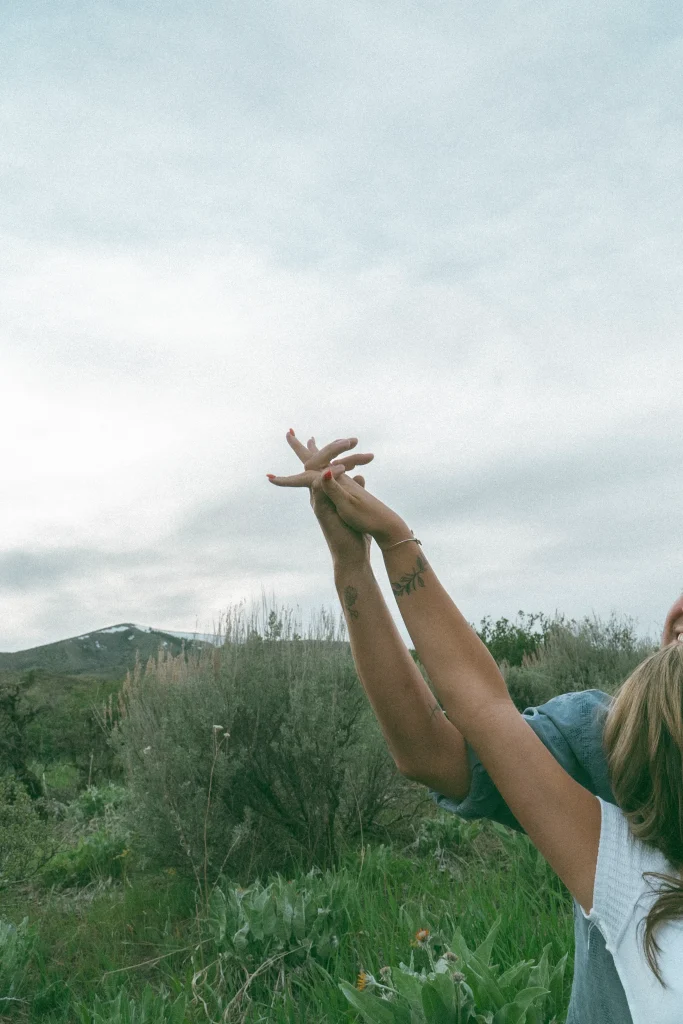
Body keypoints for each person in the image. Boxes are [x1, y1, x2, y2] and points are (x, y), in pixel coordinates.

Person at [268, 431, 683, 1024]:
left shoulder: (629, 886)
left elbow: (483, 706)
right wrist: (354, 565)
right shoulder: (608, 739)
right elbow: (435, 750)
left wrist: (392, 543)